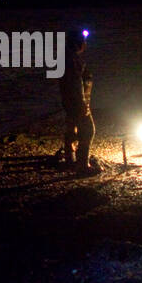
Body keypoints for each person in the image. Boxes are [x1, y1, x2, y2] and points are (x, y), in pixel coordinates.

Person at [60, 29, 99, 175]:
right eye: (83, 41)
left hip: (70, 101)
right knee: (88, 130)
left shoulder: (68, 58)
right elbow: (76, 83)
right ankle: (82, 165)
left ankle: (70, 158)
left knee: (72, 128)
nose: (85, 44)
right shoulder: (72, 60)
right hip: (77, 102)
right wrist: (82, 103)